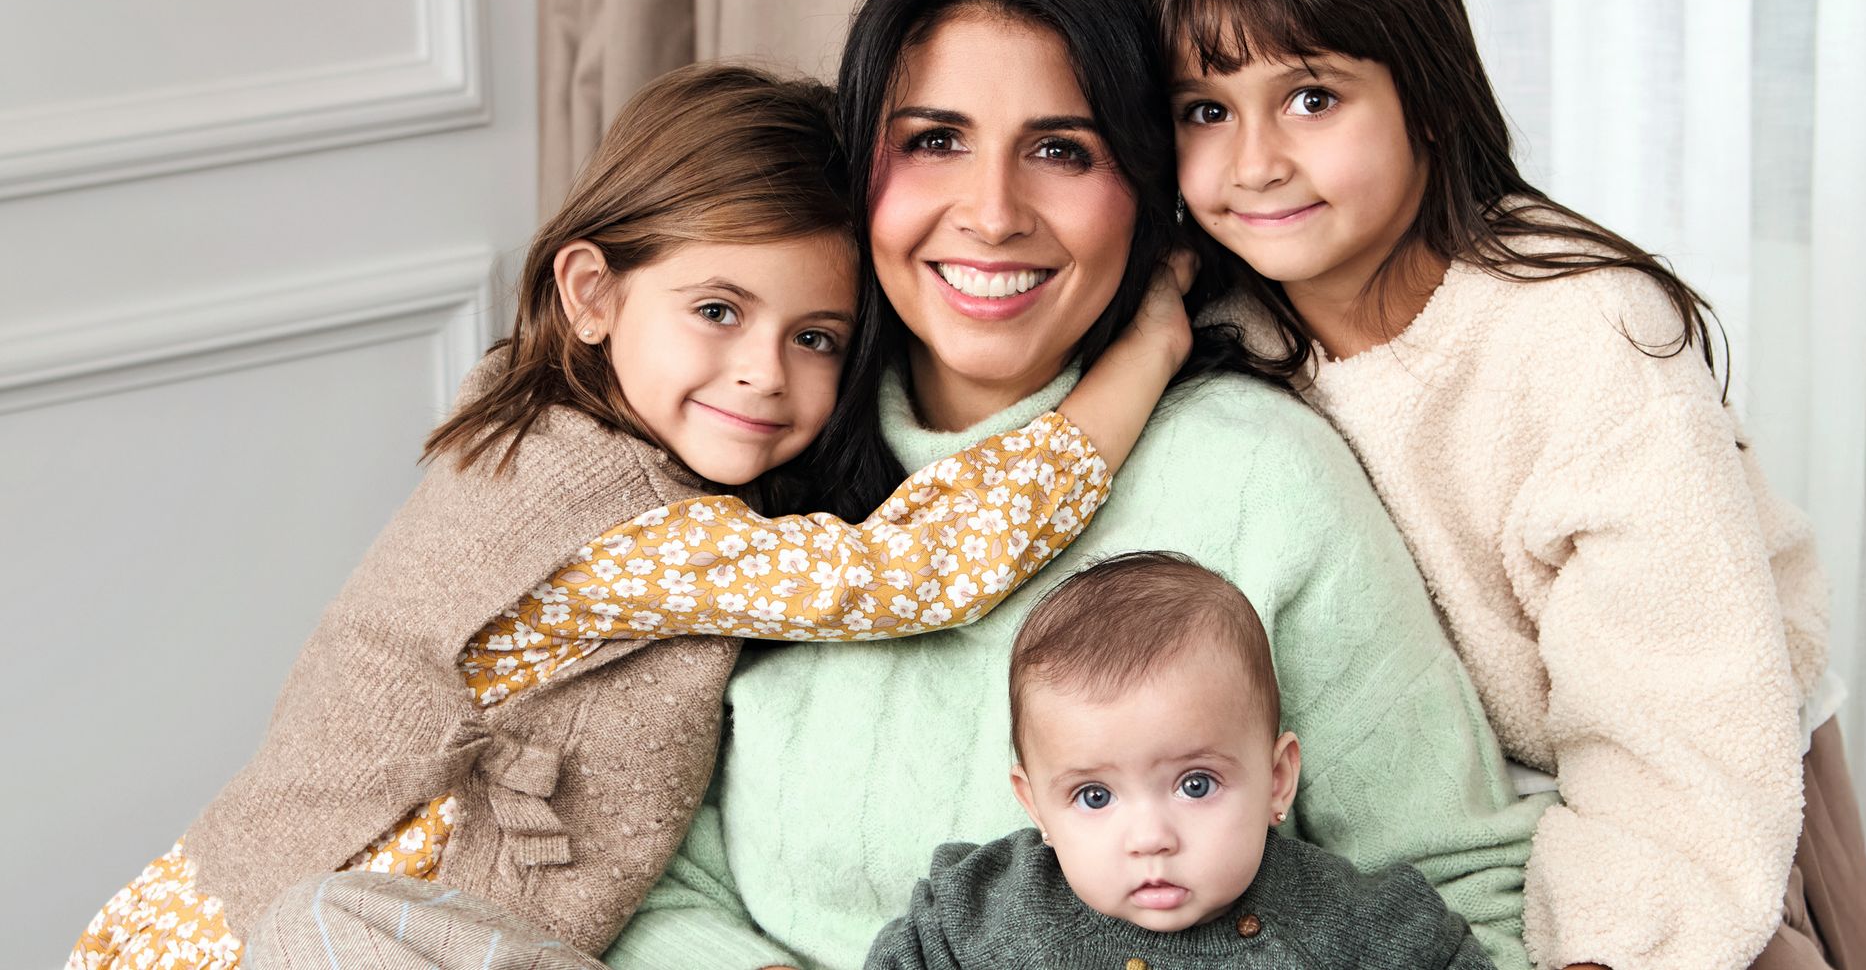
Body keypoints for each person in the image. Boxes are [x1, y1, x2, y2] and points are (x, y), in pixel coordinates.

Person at [67, 63, 1195, 970]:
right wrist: (1140, 359)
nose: (763, 373)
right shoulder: (626, 530)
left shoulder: (533, 415)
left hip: (210, 902)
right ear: (592, 294)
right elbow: (913, 570)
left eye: (816, 339)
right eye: (717, 310)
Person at [604, 0, 1547, 970]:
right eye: (935, 140)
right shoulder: (748, 447)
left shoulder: (1259, 479)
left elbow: (1455, 891)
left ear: (1144, 184)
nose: (995, 213)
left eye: (1061, 149)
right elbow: (647, 885)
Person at [1148, 0, 1866, 969]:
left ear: (1430, 98)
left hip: (1704, 769)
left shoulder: (1581, 329)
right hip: (1473, 802)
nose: (1255, 160)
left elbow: (1683, 729)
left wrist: (1614, 942)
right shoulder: (1218, 336)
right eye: (1205, 110)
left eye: (1312, 97)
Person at [866, 552, 1495, 970]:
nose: (1151, 839)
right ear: (1036, 807)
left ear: (1277, 782)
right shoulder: (985, 911)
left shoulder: (1341, 919)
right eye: (1094, 796)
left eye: (1196, 784)